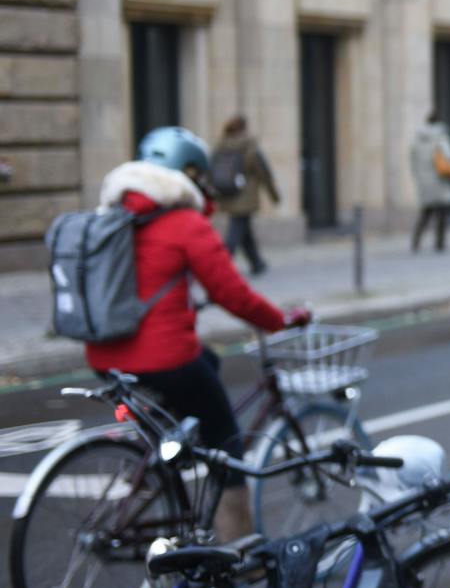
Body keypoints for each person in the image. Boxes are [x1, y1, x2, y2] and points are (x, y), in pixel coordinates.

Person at [86, 127, 310, 540]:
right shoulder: (185, 223)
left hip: (104, 355)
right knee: (227, 441)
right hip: (163, 357)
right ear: (190, 172)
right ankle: (238, 552)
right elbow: (232, 294)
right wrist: (280, 320)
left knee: (209, 362)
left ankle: (168, 462)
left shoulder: (115, 215)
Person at [210, 115, 279, 276]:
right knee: (237, 228)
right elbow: (263, 172)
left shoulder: (221, 145)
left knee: (244, 228)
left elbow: (211, 169)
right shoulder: (249, 146)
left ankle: (257, 262)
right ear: (244, 128)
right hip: (245, 195)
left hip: (227, 192)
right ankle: (223, 263)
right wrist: (274, 195)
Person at [409, 112, 450, 252]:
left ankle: (416, 241)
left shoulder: (417, 141)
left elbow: (412, 162)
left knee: (426, 213)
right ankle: (440, 242)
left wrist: (420, 177)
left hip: (424, 182)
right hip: (440, 180)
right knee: (442, 213)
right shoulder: (441, 138)